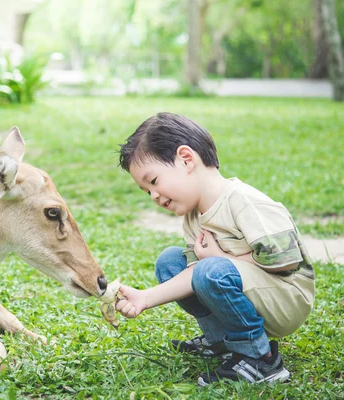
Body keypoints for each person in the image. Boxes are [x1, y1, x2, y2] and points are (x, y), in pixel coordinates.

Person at [115, 112, 315, 386]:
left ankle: (260, 359)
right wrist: (144, 298)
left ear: (186, 159)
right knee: (171, 262)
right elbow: (194, 273)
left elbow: (287, 261)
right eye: (145, 191)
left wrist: (221, 258)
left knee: (210, 269)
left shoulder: (243, 201)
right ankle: (223, 342)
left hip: (285, 298)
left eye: (153, 182)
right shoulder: (193, 218)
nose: (154, 196)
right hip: (248, 289)